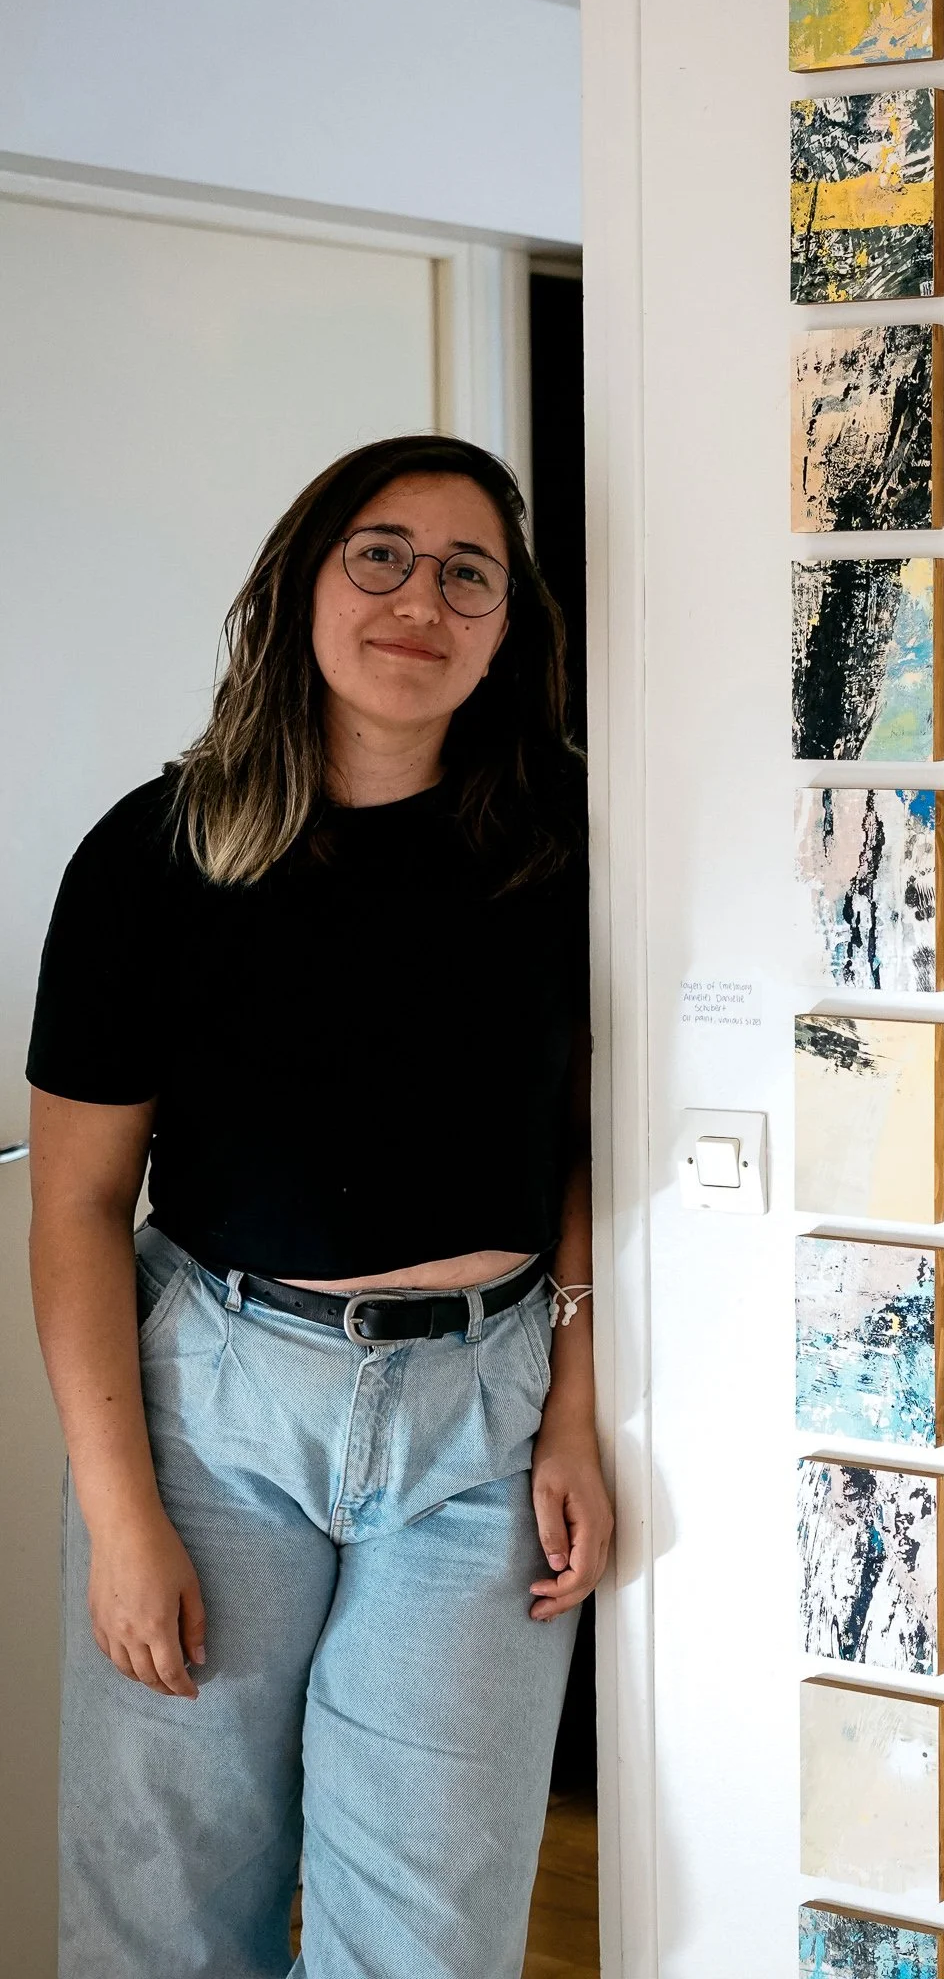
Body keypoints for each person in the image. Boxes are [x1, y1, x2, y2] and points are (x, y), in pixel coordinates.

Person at [26, 434, 611, 1979]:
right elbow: (79, 1206)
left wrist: (574, 1405)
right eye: (383, 553)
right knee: (161, 1917)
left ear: (507, 625)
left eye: (468, 572)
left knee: (428, 1939)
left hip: (482, 1429)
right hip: (214, 1414)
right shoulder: (153, 855)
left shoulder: (567, 850)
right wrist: (119, 1513)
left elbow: (591, 1148)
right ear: (303, 582)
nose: (423, 596)